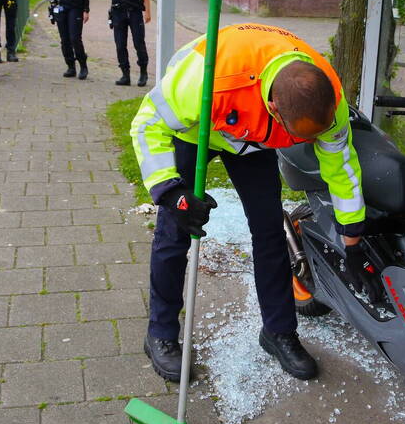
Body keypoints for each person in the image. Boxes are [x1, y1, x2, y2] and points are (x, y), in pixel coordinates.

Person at [130, 23, 368, 383]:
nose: (304, 144)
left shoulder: (329, 100)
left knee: (270, 230)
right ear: (274, 106)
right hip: (199, 128)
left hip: (251, 138)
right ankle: (161, 334)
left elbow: (342, 167)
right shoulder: (207, 80)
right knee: (174, 231)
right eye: (298, 135)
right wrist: (170, 192)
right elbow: (147, 124)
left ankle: (278, 332)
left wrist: (352, 238)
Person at [100, 0, 152, 87]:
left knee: (138, 43)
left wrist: (147, 11)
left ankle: (143, 73)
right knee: (120, 44)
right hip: (118, 13)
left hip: (134, 11)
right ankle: (125, 75)